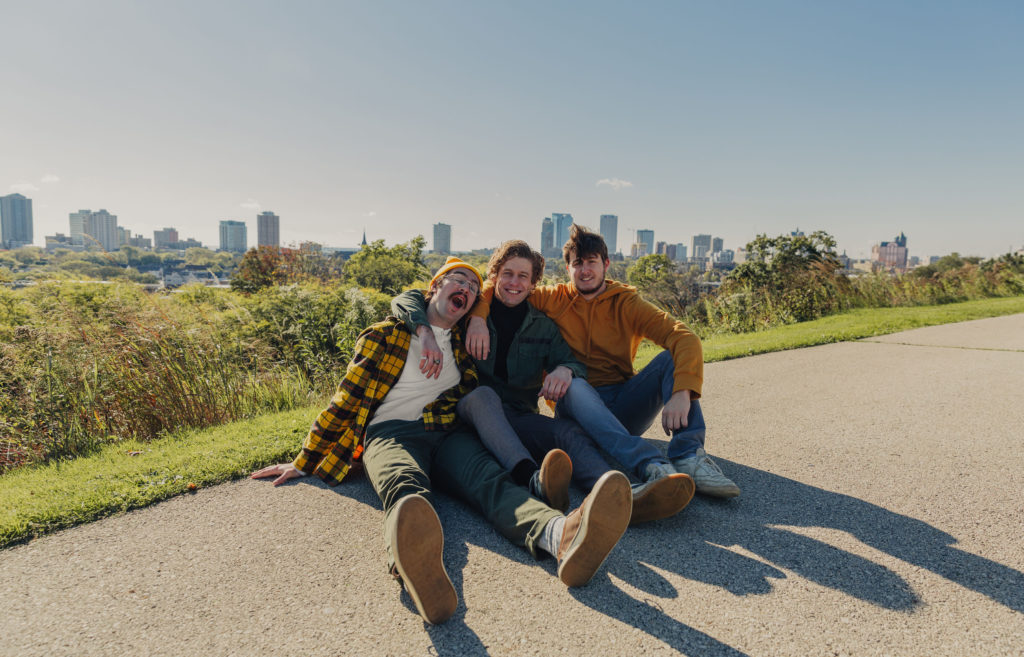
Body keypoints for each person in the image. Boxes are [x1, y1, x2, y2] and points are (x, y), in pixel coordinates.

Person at [252, 257, 632, 625]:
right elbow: (344, 401)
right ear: (433, 288)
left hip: (446, 431)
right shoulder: (385, 335)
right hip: (390, 433)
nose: (465, 288)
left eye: (471, 285)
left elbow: (484, 313)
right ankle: (420, 571)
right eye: (457, 281)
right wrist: (304, 460)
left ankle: (559, 535)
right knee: (406, 489)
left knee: (490, 481)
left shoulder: (463, 344)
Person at [392, 241, 694, 523]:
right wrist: (428, 330)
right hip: (470, 412)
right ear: (494, 276)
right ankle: (534, 480)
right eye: (507, 274)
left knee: (568, 431)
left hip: (518, 415)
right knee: (482, 395)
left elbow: (571, 361)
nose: (514, 283)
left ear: (533, 283)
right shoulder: (469, 309)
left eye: (523, 276)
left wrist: (565, 370)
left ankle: (622, 493)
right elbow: (411, 298)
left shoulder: (542, 324)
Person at [466, 226, 740, 498]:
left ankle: (689, 456)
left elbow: (684, 337)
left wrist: (682, 392)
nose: (585, 270)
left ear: (606, 264)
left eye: (592, 262)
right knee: (574, 385)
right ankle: (651, 466)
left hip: (623, 405)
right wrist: (478, 318)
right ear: (568, 268)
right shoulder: (551, 298)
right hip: (575, 405)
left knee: (671, 359)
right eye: (577, 263)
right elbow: (497, 286)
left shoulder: (627, 303)